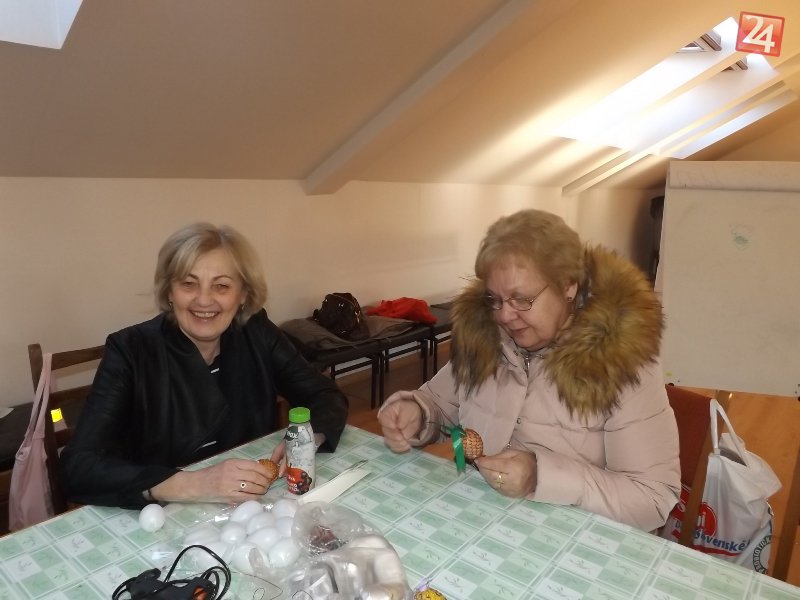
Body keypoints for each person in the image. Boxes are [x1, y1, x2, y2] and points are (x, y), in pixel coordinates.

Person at [378, 209, 680, 531]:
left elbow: (652, 497)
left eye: (521, 299)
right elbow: (441, 406)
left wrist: (541, 476)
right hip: (477, 521)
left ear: (568, 285)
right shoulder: (485, 337)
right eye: (495, 299)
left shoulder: (624, 362)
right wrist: (417, 413)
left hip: (566, 538)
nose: (504, 316)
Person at [59, 223, 348, 509]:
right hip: (163, 513)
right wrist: (193, 484)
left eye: (221, 286)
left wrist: (306, 439)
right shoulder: (130, 350)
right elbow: (77, 467)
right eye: (188, 284)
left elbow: (325, 396)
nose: (204, 300)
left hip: (253, 507)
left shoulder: (256, 332)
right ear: (169, 292)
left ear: (243, 295)